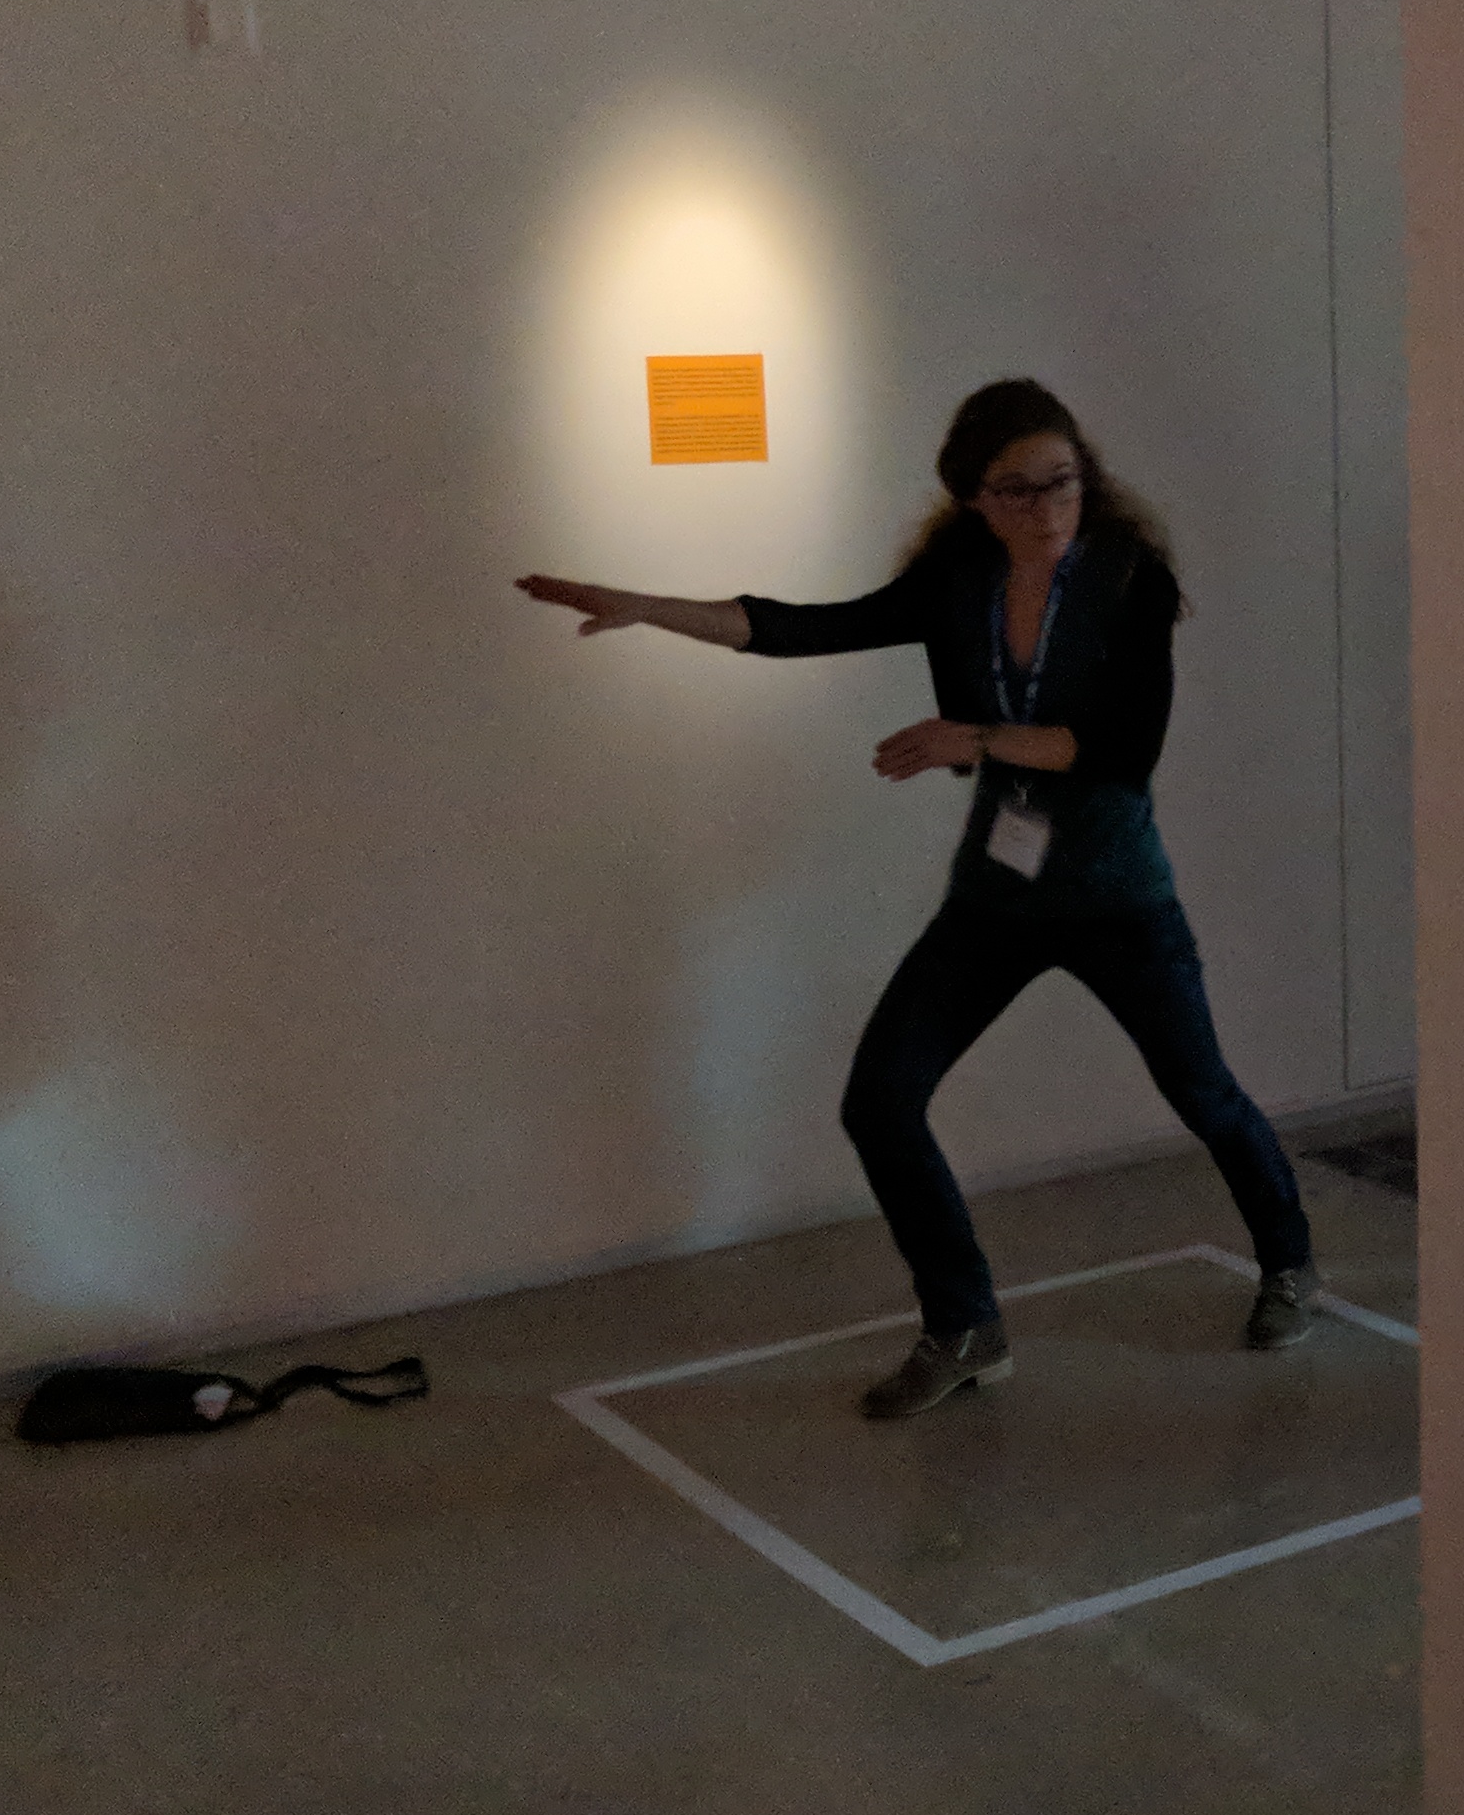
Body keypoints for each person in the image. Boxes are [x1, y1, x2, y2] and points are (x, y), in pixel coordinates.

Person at [518, 378, 1319, 1414]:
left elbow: (1124, 749)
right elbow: (803, 628)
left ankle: (1289, 1263)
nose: (1048, 508)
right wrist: (646, 607)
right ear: (973, 497)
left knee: (1202, 1093)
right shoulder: (958, 578)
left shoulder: (1131, 577)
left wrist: (973, 738)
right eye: (1018, 489)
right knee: (880, 1101)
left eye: (1064, 481)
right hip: (995, 900)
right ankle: (965, 1325)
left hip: (1118, 899)